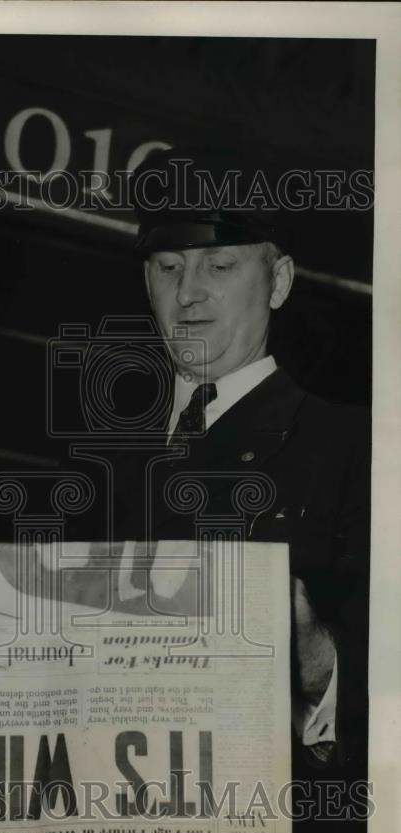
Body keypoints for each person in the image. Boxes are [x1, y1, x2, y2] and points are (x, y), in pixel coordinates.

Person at [123, 146, 369, 781]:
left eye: (220, 265)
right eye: (168, 267)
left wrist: (317, 661)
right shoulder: (91, 455)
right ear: (146, 282)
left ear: (279, 282)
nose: (188, 294)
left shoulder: (357, 449)